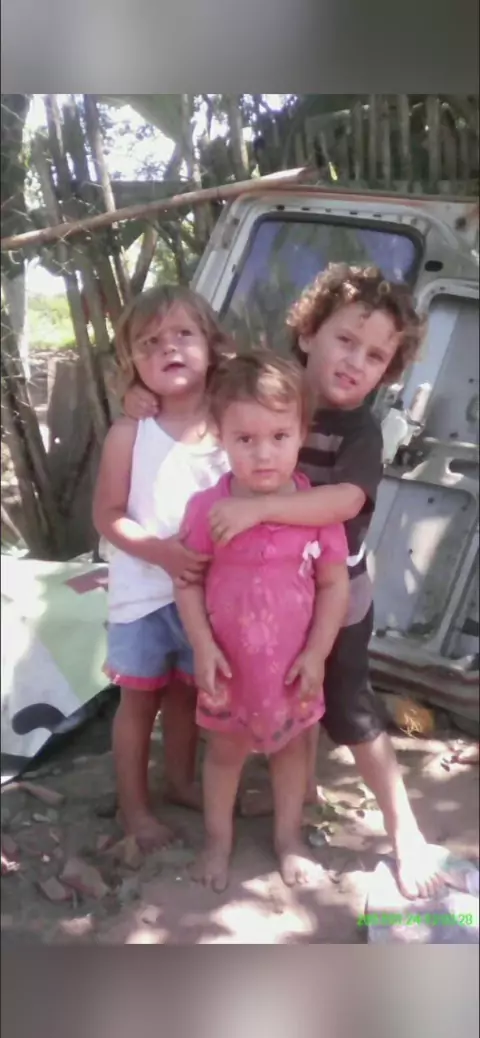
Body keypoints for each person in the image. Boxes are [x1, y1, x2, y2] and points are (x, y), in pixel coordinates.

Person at [122, 264, 443, 900]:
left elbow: (346, 501)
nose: (355, 362)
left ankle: (403, 830)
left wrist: (261, 509)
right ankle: (284, 802)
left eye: (375, 356)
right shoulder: (269, 390)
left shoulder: (359, 429)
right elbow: (203, 380)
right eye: (345, 340)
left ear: (389, 371)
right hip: (252, 599)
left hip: (335, 592)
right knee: (264, 708)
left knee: (348, 707)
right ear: (308, 334)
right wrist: (141, 396)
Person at [175, 351, 350, 891]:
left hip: (294, 669)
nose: (263, 453)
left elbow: (334, 584)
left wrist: (317, 654)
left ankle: (288, 839)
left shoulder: (316, 510)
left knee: (291, 751)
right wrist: (202, 646)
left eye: (278, 436)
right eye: (245, 439)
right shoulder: (207, 509)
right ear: (220, 436)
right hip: (228, 668)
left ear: (301, 432)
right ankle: (218, 841)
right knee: (224, 754)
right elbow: (187, 582)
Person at [92, 285, 233, 850]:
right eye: (149, 343)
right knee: (138, 702)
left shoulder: (231, 427)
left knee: (186, 696)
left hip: (208, 598)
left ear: (212, 345)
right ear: (132, 363)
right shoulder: (130, 433)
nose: (168, 348)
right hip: (143, 597)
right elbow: (107, 515)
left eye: (183, 334)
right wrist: (163, 554)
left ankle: (179, 782)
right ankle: (134, 810)